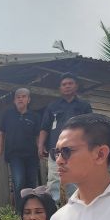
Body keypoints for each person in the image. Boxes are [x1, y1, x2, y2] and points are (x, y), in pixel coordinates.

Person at [37, 74, 93, 202]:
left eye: (70, 83)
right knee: (53, 179)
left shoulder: (84, 106)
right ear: (60, 88)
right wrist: (40, 146)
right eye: (64, 84)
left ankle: (75, 206)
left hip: (76, 150)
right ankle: (52, 208)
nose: (67, 86)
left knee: (73, 179)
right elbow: (44, 128)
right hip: (55, 150)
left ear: (76, 86)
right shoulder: (53, 107)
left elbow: (91, 127)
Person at [0, 89, 42, 212]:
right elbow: (1, 132)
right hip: (15, 155)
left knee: (31, 183)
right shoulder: (8, 114)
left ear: (28, 100)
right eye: (18, 97)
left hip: (32, 155)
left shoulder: (34, 116)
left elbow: (38, 135)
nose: (20, 99)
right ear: (14, 100)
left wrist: (40, 149)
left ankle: (31, 209)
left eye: (23, 97)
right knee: (19, 182)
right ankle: (20, 211)